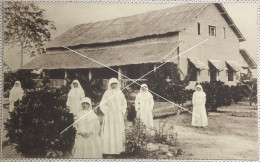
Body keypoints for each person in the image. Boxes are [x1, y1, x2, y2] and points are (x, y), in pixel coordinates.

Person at [100, 78, 127, 155]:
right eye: (112, 84)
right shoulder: (107, 93)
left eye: (115, 84)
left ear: (117, 84)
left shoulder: (120, 92)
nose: (114, 85)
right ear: (110, 85)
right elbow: (102, 103)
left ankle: (119, 149)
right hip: (110, 115)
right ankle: (108, 150)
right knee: (110, 131)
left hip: (118, 115)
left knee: (118, 130)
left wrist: (122, 111)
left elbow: (124, 103)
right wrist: (107, 110)